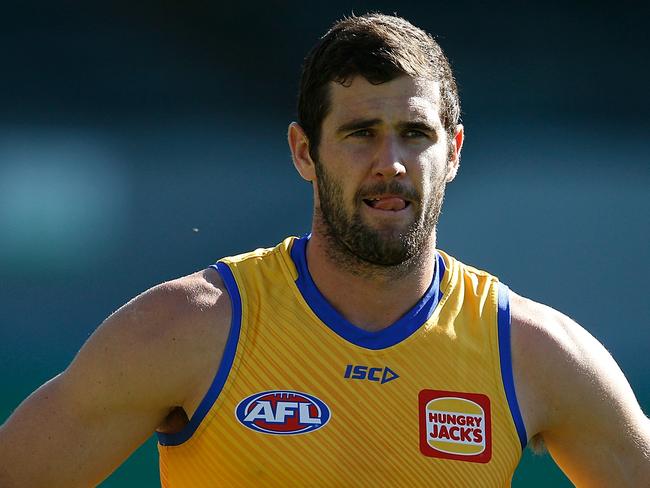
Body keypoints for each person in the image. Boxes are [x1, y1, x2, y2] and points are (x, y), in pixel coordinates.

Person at [1, 13, 648, 488]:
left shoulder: (536, 354)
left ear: (452, 153)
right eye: (361, 133)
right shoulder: (188, 328)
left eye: (414, 134)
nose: (390, 163)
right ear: (304, 152)